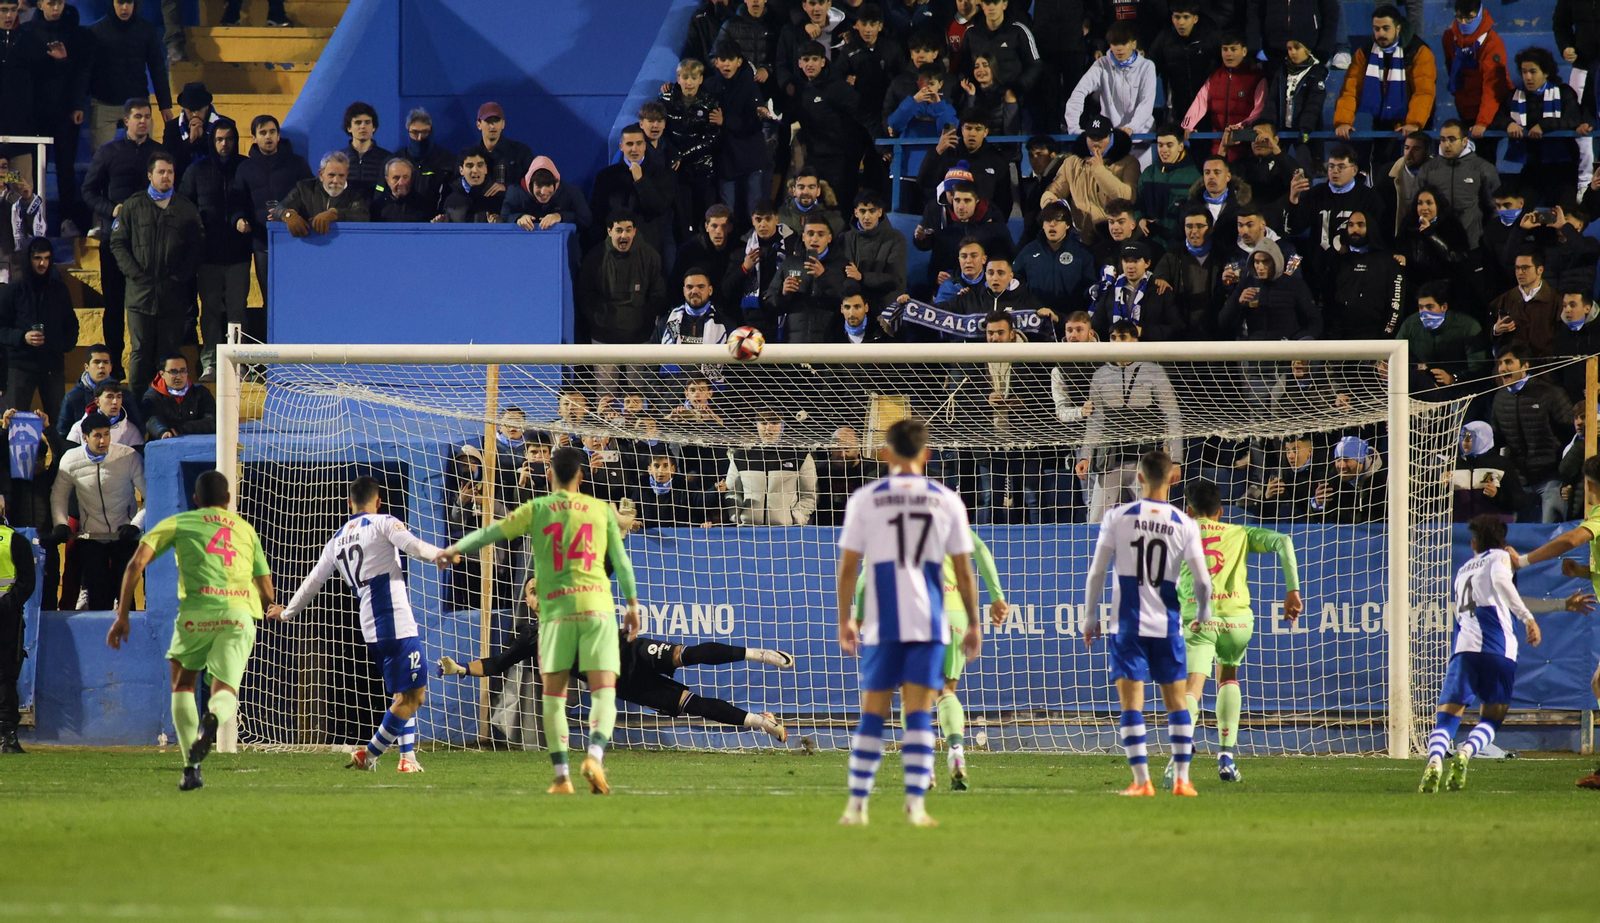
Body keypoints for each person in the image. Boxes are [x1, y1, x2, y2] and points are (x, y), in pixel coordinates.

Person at [436, 446, 642, 795]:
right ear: (581, 475)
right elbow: (620, 560)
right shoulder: (600, 509)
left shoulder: (538, 508)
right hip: (598, 609)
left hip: (556, 613)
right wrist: (633, 605)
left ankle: (562, 777)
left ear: (549, 474)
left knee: (554, 696)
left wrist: (455, 548)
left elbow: (492, 533)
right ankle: (594, 756)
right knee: (604, 691)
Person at [835, 418, 979, 826]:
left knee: (872, 715)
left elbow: (848, 569)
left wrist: (846, 620)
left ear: (885, 454)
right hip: (930, 625)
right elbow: (964, 572)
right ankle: (915, 806)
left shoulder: (866, 498)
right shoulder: (946, 500)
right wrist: (972, 622)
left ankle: (856, 806)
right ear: (927, 454)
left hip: (882, 626)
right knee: (918, 715)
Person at [440, 574, 791, 739]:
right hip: (622, 684)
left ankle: (759, 654)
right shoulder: (532, 636)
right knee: (692, 705)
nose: (538, 593)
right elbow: (498, 663)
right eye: (532, 592)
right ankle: (762, 722)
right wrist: (460, 669)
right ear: (529, 603)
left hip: (632, 653)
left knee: (689, 654)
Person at [107, 470, 273, 790]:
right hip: (238, 616)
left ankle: (191, 767)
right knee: (224, 688)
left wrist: (123, 615)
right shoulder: (245, 529)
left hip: (196, 614)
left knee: (183, 681)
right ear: (228, 499)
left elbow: (135, 565)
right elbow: (267, 591)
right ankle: (212, 720)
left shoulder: (180, 522)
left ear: (196, 500)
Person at [272, 477, 444, 773]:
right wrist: (439, 555)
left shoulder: (337, 539)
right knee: (415, 696)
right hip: (394, 621)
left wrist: (286, 612)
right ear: (377, 502)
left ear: (350, 503)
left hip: (371, 626)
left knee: (404, 691)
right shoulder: (383, 522)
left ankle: (407, 758)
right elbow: (413, 546)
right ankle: (370, 754)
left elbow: (313, 582)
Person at [1082, 448, 1211, 797]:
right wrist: (1202, 614)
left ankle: (1142, 782)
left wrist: (1089, 616)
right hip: (1167, 626)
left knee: (1131, 706)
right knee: (1177, 704)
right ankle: (1183, 780)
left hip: (1128, 626)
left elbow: (1096, 572)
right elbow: (1202, 581)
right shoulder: (1184, 522)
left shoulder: (1117, 517)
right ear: (1173, 477)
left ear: (1139, 478)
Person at [1174, 479, 1301, 783]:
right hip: (1238, 622)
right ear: (1219, 511)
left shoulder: (1179, 535)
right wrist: (1292, 591)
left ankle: (1180, 754)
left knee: (1192, 687)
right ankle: (1226, 757)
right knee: (1228, 675)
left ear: (1188, 510)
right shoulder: (1239, 533)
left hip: (1199, 619)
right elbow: (1283, 541)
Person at [1419, 516, 1542, 793]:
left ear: (1473, 543)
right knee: (1491, 718)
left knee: (1447, 717)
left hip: (1464, 650)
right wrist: (1528, 618)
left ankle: (1435, 760)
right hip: (1499, 650)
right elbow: (1501, 580)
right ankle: (1466, 752)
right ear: (1503, 542)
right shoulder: (1500, 558)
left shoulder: (1463, 569)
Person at [1508, 455, 1600, 787]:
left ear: (1589, 486)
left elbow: (1571, 540)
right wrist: (1582, 572)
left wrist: (1525, 559)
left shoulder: (1598, 515)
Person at [82, 98, 166, 377]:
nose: (143, 121)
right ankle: (114, 367)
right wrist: (111, 209)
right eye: (138, 116)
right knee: (115, 304)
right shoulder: (109, 152)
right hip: (114, 241)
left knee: (150, 307)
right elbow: (89, 191)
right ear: (126, 121)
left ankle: (152, 369)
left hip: (151, 243)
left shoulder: (159, 154)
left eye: (147, 116)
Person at [110, 151, 202, 393]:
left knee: (169, 355)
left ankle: (168, 407)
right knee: (140, 353)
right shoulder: (133, 205)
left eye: (170, 172)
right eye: (161, 172)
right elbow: (117, 243)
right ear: (150, 175)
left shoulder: (185, 208)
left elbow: (196, 248)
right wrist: (135, 274)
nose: (166, 176)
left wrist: (179, 276)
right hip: (140, 295)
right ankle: (137, 409)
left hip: (172, 295)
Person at [1076, 322, 1183, 521]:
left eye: (1123, 337)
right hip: (1109, 459)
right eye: (1113, 337)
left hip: (1145, 459)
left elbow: (1172, 416)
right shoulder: (1100, 375)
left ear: (1135, 340)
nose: (1117, 342)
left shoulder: (1154, 371)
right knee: (1096, 521)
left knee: (1154, 520)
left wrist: (1176, 460)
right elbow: (1095, 422)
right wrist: (1085, 456)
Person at [177, 123, 251, 381]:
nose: (224, 144)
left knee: (237, 311)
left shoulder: (246, 167)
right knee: (209, 311)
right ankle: (210, 362)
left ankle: (239, 363)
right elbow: (184, 208)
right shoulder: (196, 171)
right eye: (219, 139)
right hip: (207, 257)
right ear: (212, 141)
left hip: (239, 256)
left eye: (229, 139)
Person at [51, 411, 144, 610]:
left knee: (126, 596)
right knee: (98, 598)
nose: (103, 441)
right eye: (97, 436)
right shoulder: (70, 459)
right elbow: (58, 495)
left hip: (124, 536)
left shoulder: (128, 456)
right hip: (91, 537)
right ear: (85, 437)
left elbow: (151, 495)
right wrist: (60, 523)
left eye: (107, 434)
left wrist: (136, 525)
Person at [230, 115, 313, 316]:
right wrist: (239, 220)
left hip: (295, 241)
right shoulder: (245, 168)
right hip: (262, 244)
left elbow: (311, 196)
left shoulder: (297, 163)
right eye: (263, 133)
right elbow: (236, 201)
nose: (268, 137)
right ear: (254, 138)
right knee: (270, 298)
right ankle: (273, 345)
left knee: (296, 296)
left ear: (279, 136)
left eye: (272, 132)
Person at [23, 0, 91, 236]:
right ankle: (30, 219)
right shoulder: (28, 33)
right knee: (30, 168)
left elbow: (82, 72)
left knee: (65, 168)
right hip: (34, 113)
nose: (56, 8)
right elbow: (26, 72)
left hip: (65, 112)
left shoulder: (77, 33)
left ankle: (67, 219)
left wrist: (76, 105)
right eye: (51, 3)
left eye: (60, 2)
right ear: (40, 4)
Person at [1332, 5, 1438, 157]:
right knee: (1381, 170)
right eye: (1376, 29)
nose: (1380, 34)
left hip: (1416, 123)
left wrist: (1414, 123)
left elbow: (1424, 92)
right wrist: (1343, 121)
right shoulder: (1365, 52)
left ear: (1398, 28)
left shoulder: (1419, 52)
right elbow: (1351, 89)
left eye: (1386, 28)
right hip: (1383, 120)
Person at [1492, 344, 1575, 523]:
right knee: (1516, 535)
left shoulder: (1549, 393)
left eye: (1508, 362)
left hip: (1551, 478)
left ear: (1525, 365)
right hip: (1519, 480)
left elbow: (1571, 431)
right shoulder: (1499, 398)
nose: (1502, 368)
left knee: (1551, 531)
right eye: (1500, 363)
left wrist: (1564, 471)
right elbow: (1496, 439)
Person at [0, 236, 77, 414]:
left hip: (52, 365)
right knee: (16, 420)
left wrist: (64, 345)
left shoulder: (59, 289)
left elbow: (71, 323)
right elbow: (1, 328)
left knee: (58, 420)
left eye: (47, 258)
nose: (42, 263)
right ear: (28, 259)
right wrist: (22, 337)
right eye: (37, 258)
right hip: (20, 365)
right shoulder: (12, 291)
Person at [1038, 115, 1142, 241]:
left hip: (1113, 235)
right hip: (1081, 236)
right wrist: (1049, 203)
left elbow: (1129, 197)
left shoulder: (1128, 163)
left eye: (1101, 138)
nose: (1096, 142)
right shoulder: (1072, 162)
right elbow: (1054, 190)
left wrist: (1099, 170)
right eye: (1092, 137)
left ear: (1111, 136)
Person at [1505, 46, 1586, 208]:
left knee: (1563, 214)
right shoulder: (1515, 95)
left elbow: (1573, 119)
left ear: (1546, 72)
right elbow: (1498, 117)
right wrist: (1508, 124)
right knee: (1521, 210)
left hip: (1564, 164)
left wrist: (1545, 125)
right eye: (1524, 71)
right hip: (1533, 164)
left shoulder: (1564, 92)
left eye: (1533, 71)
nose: (1527, 77)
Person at [85, 0, 171, 150]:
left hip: (138, 103)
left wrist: (165, 105)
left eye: (128, 2)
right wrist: (78, 105)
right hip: (104, 103)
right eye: (120, 2)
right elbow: (85, 71)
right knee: (101, 161)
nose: (124, 7)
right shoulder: (95, 31)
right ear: (112, 3)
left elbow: (157, 68)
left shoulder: (146, 30)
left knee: (144, 156)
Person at [577, 211, 666, 350]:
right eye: (619, 230)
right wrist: (600, 319)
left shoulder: (650, 256)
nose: (624, 235)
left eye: (628, 230)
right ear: (609, 231)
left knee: (640, 373)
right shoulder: (594, 258)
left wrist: (643, 318)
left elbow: (658, 295)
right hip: (603, 338)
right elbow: (586, 294)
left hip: (640, 338)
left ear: (634, 231)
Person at [1065, 21, 1157, 149]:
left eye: (1123, 44)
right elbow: (1079, 93)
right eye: (1114, 44)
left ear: (1133, 44)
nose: (1119, 49)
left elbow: (1146, 103)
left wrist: (1132, 126)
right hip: (1110, 140)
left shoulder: (1147, 67)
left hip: (1140, 138)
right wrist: (1073, 127)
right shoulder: (1102, 65)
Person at [1415, 118, 1500, 251]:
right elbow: (1415, 206)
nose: (1446, 144)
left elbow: (1493, 208)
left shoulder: (1482, 168)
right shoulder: (1428, 169)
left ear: (1464, 141)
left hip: (1472, 244)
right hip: (1435, 244)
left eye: (1452, 139)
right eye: (1443, 139)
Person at [589, 124, 675, 254]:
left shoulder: (660, 174)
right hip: (612, 250)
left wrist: (641, 181)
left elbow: (659, 207)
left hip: (648, 248)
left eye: (639, 143)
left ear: (645, 146)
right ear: (621, 147)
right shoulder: (606, 176)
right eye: (629, 144)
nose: (634, 149)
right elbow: (598, 214)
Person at [0, 459, 38, 752]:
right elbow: (27, 582)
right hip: (7, 617)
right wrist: (9, 604)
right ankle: (6, 737)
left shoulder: (14, 540)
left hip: (7, 617)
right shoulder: (16, 540)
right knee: (5, 676)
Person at [1180, 32, 1266, 161]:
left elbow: (1259, 110)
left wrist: (1239, 128)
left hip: (1245, 149)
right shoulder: (1214, 76)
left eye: (1233, 49)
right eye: (1225, 49)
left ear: (1244, 51)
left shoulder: (1256, 77)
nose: (1228, 54)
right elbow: (1199, 103)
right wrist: (1187, 126)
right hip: (1218, 147)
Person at [707, 43, 768, 224]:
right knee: (727, 209)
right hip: (726, 156)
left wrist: (725, 121)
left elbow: (754, 122)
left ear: (739, 62)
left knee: (754, 208)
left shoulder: (750, 85)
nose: (726, 64)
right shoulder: (710, 85)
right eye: (722, 60)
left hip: (751, 154)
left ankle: (756, 245)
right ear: (716, 62)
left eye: (730, 60)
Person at [916, 108, 1013, 220]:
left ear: (986, 132)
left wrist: (995, 222)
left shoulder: (997, 159)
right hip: (950, 223)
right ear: (961, 129)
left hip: (984, 225)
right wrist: (937, 151)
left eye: (978, 129)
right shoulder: (948, 152)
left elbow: (1005, 200)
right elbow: (924, 182)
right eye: (968, 128)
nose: (972, 133)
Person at [661, 58, 721, 238]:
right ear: (678, 78)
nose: (689, 82)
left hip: (703, 170)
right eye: (685, 77)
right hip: (678, 171)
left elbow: (712, 137)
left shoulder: (710, 102)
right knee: (682, 220)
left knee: (704, 218)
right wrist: (673, 154)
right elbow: (662, 133)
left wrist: (683, 155)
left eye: (693, 78)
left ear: (701, 79)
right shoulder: (666, 100)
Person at [726, 408, 818, 525]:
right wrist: (737, 515)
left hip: (786, 530)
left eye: (774, 423)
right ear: (757, 425)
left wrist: (797, 518)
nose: (768, 428)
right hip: (748, 528)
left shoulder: (799, 456)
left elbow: (809, 494)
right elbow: (732, 492)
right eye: (763, 423)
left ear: (783, 426)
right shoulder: (741, 456)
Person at [1219, 240, 1321, 342]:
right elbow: (1223, 322)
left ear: (1276, 261)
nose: (1260, 267)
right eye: (1257, 262)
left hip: (1287, 348)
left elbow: (1314, 322)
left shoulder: (1295, 285)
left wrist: (1299, 346)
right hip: (1254, 348)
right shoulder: (1246, 284)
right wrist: (1238, 303)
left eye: (1266, 262)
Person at [767, 214, 848, 342]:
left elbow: (847, 302)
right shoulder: (789, 263)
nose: (814, 239)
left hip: (829, 343)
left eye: (820, 234)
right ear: (803, 237)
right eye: (810, 234)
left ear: (829, 238)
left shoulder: (842, 265)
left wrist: (823, 277)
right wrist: (783, 294)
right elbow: (769, 304)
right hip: (795, 342)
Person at [1441, 2, 1510, 149]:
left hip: (1491, 111)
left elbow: (1493, 86)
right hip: (1465, 108)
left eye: (1469, 18)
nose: (1463, 22)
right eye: (1459, 18)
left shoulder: (1492, 43)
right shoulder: (1449, 38)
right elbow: (1451, 69)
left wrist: (1482, 122)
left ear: (1479, 14)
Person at [1151, 208, 1226, 338]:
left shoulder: (1222, 256)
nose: (1194, 231)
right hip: (1182, 333)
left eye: (1200, 226)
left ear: (1211, 228)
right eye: (1189, 226)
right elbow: (1157, 278)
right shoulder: (1172, 256)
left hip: (1215, 331)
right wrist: (1159, 281)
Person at [1015, 201, 1095, 316]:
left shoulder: (1082, 253)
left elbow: (1090, 288)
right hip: (1037, 318)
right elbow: (1016, 281)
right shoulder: (1029, 251)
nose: (1052, 224)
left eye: (1058, 220)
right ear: (1042, 225)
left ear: (1067, 225)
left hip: (1070, 320)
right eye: (1047, 220)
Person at [1092, 241, 1182, 341]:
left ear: (1147, 263)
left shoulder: (1161, 291)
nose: (1130, 266)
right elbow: (1097, 324)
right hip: (1116, 353)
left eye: (1136, 261)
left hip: (1148, 353)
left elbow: (1176, 328)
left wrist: (1142, 332)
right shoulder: (1111, 291)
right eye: (1126, 261)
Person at [1148, 2, 1220, 125]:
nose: (1181, 23)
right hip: (1177, 108)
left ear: (1195, 19)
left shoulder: (1210, 37)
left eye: (1186, 17)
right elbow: (1149, 69)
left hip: (1208, 106)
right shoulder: (1164, 39)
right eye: (1177, 17)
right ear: (1172, 18)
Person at [839, 191, 907, 310]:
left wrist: (862, 277)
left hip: (883, 306)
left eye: (872, 211)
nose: (867, 217)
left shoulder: (896, 238)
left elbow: (896, 280)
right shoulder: (844, 238)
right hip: (852, 307)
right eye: (862, 211)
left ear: (880, 212)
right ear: (856, 213)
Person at [1488, 250, 1560, 358]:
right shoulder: (1502, 301)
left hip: (1543, 368)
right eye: (1517, 268)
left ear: (1540, 270)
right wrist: (1496, 330)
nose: (1520, 272)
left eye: (1525, 268)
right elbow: (1487, 334)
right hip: (1513, 368)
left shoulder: (1555, 301)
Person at [1138, 124, 1201, 242]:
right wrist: (1139, 219)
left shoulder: (1195, 175)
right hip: (1151, 240)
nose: (1164, 150)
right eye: (1160, 145)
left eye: (1169, 145)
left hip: (1181, 241)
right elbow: (1138, 203)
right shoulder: (1148, 173)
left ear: (1181, 146)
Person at [1247, 0, 1340, 73]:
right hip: (1273, 51)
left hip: (1309, 51)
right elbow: (1253, 10)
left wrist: (1324, 49)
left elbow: (1330, 12)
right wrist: (1253, 47)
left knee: (1309, 95)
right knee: (1274, 95)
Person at [502, 159, 589, 235]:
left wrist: (560, 216)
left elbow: (586, 220)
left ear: (555, 184)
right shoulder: (515, 192)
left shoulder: (571, 193)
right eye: (538, 185)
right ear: (530, 184)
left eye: (548, 185)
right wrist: (519, 218)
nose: (543, 192)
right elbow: (504, 216)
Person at [1311, 435, 1387, 523]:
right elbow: (1320, 520)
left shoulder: (1385, 477)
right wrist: (1317, 504)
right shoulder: (1332, 479)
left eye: (1346, 459)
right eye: (1338, 460)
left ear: (1361, 459)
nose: (1341, 466)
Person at [141, 354, 214, 439]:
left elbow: (212, 420)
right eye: (173, 372)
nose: (179, 376)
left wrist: (181, 428)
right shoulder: (152, 396)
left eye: (183, 371)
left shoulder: (201, 392)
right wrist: (163, 432)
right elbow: (151, 420)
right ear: (162, 374)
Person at [397, 108, 457, 207]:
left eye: (424, 132)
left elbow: (454, 199)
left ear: (431, 131)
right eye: (415, 133)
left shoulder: (449, 161)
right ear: (408, 132)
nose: (420, 138)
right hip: (402, 220)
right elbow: (382, 198)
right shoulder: (395, 161)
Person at [340, 101, 390, 203]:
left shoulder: (387, 159)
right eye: (358, 122)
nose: (363, 126)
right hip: (347, 215)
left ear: (373, 127)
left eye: (367, 122)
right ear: (349, 128)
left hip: (378, 215)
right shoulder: (339, 159)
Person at [438, 147, 500, 224]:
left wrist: (500, 223)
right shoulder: (449, 196)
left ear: (486, 169)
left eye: (480, 165)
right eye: (470, 166)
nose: (475, 170)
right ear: (461, 170)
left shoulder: (498, 195)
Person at [371, 157, 437, 223]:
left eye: (405, 177)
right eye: (396, 178)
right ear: (387, 180)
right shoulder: (377, 208)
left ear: (412, 179)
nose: (401, 183)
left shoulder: (425, 207)